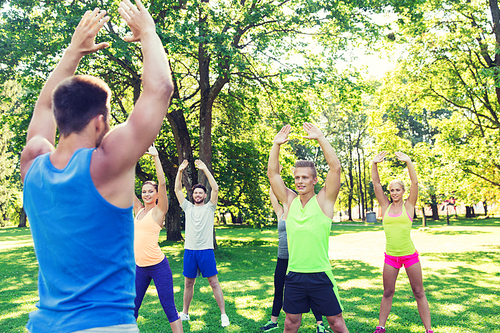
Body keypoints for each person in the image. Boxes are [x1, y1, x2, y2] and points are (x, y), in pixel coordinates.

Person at [20, 1, 173, 331]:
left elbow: (43, 107)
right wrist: (147, 31)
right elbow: (160, 89)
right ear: (101, 122)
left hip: (44, 325)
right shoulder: (105, 165)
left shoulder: (32, 164)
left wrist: (73, 52)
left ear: (60, 117)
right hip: (104, 325)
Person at [267, 123, 348, 333]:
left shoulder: (324, 201)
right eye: (296, 177)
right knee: (290, 324)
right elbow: (273, 175)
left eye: (304, 177)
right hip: (294, 275)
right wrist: (276, 145)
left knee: (336, 324)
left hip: (320, 274)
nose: (300, 181)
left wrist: (320, 138)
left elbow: (336, 168)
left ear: (314, 180)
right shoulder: (289, 201)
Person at [371, 151, 433, 333]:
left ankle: (428, 329)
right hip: (391, 257)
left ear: (403, 191)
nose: (394, 193)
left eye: (398, 190)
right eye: (392, 190)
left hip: (410, 256)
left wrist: (408, 161)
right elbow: (376, 184)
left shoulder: (409, 205)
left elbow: (414, 183)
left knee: (419, 292)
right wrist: (374, 164)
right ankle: (381, 327)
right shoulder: (385, 206)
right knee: (388, 292)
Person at [260, 181, 330, 333]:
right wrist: (274, 181)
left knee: (310, 292)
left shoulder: (300, 213)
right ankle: (273, 321)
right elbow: (273, 194)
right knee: (278, 289)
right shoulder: (280, 213)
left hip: (297, 260)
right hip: (282, 258)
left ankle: (320, 324)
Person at [132, 145, 183, 333]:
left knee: (169, 308)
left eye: (150, 191)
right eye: (144, 191)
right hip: (139, 267)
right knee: (131, 309)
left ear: (156, 195)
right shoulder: (138, 209)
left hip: (158, 266)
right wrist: (129, 161)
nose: (146, 194)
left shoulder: (159, 211)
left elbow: (162, 183)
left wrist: (155, 157)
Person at [174, 159, 230, 327]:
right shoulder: (188, 207)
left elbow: (216, 188)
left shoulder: (210, 208)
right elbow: (177, 189)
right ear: (193, 195)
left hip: (206, 251)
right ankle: (185, 313)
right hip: (190, 251)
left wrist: (205, 168)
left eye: (200, 193)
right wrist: (180, 172)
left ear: (205, 196)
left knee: (213, 282)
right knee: (188, 283)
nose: (197, 195)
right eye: (195, 193)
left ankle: (223, 315)